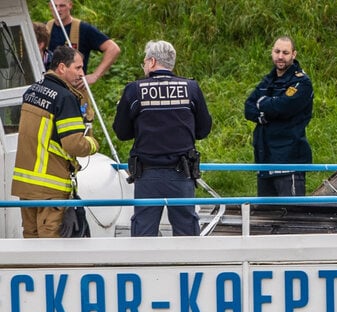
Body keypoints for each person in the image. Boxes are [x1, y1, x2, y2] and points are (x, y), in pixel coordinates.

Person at [112, 40, 212, 237]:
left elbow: (122, 133)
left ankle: (145, 268)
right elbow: (203, 130)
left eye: (144, 62)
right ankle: (189, 267)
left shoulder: (135, 90)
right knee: (186, 232)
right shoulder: (191, 88)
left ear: (152, 61)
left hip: (147, 175)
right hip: (182, 173)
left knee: (144, 233)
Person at [12, 45, 99, 238]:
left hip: (26, 185)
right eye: (77, 68)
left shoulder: (32, 91)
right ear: (61, 68)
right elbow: (73, 144)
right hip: (50, 187)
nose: (82, 74)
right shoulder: (65, 98)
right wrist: (93, 144)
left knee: (31, 239)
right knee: (50, 247)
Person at [244, 36, 313, 197]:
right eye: (277, 51)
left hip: (289, 161)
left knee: (291, 215)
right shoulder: (268, 80)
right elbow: (249, 107)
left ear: (293, 54)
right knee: (266, 217)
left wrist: (264, 104)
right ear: (272, 53)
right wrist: (264, 113)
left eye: (285, 52)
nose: (280, 56)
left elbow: (283, 106)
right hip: (264, 160)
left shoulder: (302, 83)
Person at [47, 0, 120, 84]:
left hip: (75, 89)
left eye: (62, 6)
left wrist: (95, 76)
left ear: (70, 5)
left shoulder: (83, 29)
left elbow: (113, 48)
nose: (58, 9)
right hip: (49, 87)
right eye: (54, 6)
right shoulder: (46, 28)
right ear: (50, 6)